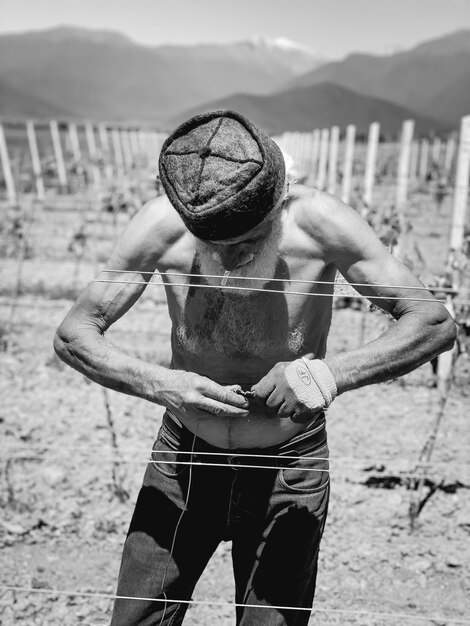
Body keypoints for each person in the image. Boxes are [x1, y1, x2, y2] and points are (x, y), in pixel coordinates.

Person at [54, 110, 456, 626]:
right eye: (216, 247)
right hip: (184, 459)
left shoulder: (322, 222)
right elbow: (74, 333)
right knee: (137, 620)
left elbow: (431, 322)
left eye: (249, 240)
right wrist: (162, 385)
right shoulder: (161, 225)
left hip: (288, 466)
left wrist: (324, 376)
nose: (232, 259)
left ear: (278, 201)